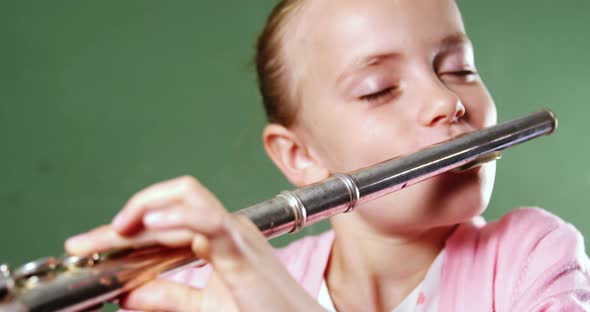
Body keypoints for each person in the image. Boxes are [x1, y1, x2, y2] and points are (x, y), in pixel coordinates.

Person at [65, 0, 590, 311]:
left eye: (459, 69)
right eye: (379, 88)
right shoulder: (216, 290)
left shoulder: (533, 256)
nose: (447, 101)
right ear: (300, 156)